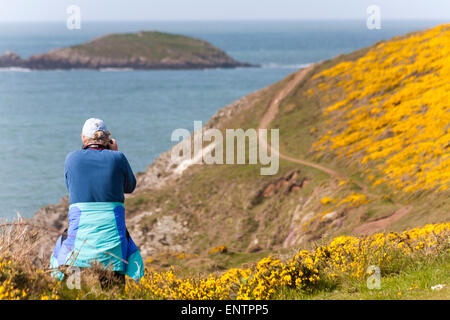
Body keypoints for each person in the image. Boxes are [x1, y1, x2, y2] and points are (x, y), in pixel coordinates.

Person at [50, 118, 144, 288]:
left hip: (78, 248)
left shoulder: (71, 159)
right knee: (113, 293)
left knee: (72, 291)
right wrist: (115, 152)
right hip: (112, 248)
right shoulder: (118, 157)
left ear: (83, 138)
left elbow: (71, 187)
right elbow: (130, 187)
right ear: (107, 139)